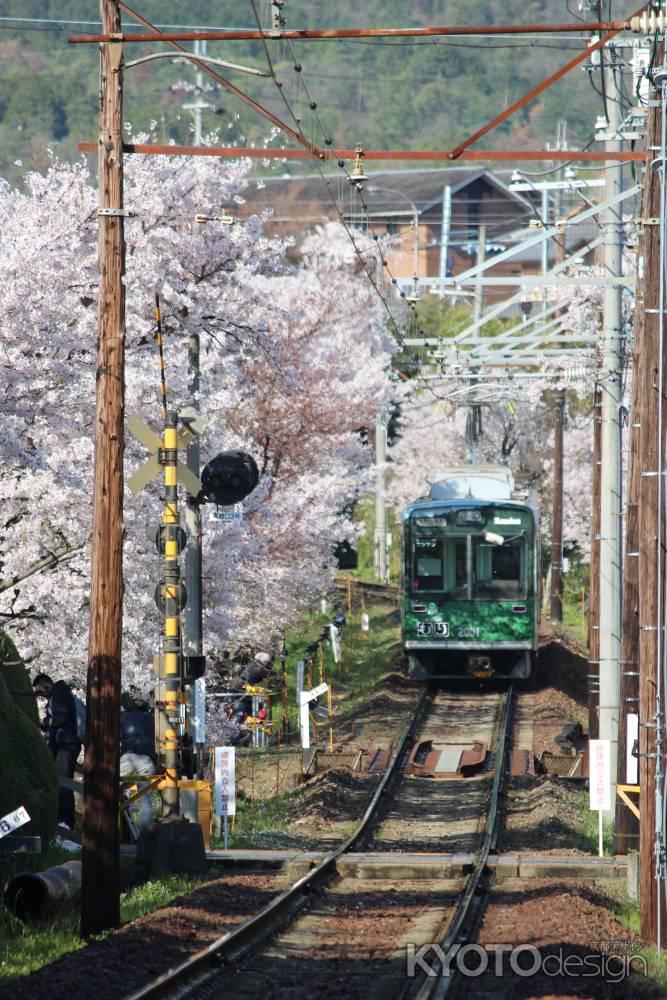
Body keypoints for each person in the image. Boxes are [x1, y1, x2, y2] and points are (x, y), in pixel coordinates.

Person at [32, 673, 82, 830]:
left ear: (47, 685)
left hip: (66, 744)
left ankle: (65, 821)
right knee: (60, 781)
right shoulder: (58, 695)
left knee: (63, 782)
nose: (41, 696)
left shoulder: (59, 695)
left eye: (41, 691)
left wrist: (45, 721)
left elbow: (60, 718)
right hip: (64, 742)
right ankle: (63, 819)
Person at [119, 694, 156, 828]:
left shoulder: (122, 717)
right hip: (147, 761)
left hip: (128, 758)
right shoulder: (151, 718)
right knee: (145, 799)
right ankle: (145, 832)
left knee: (110, 788)